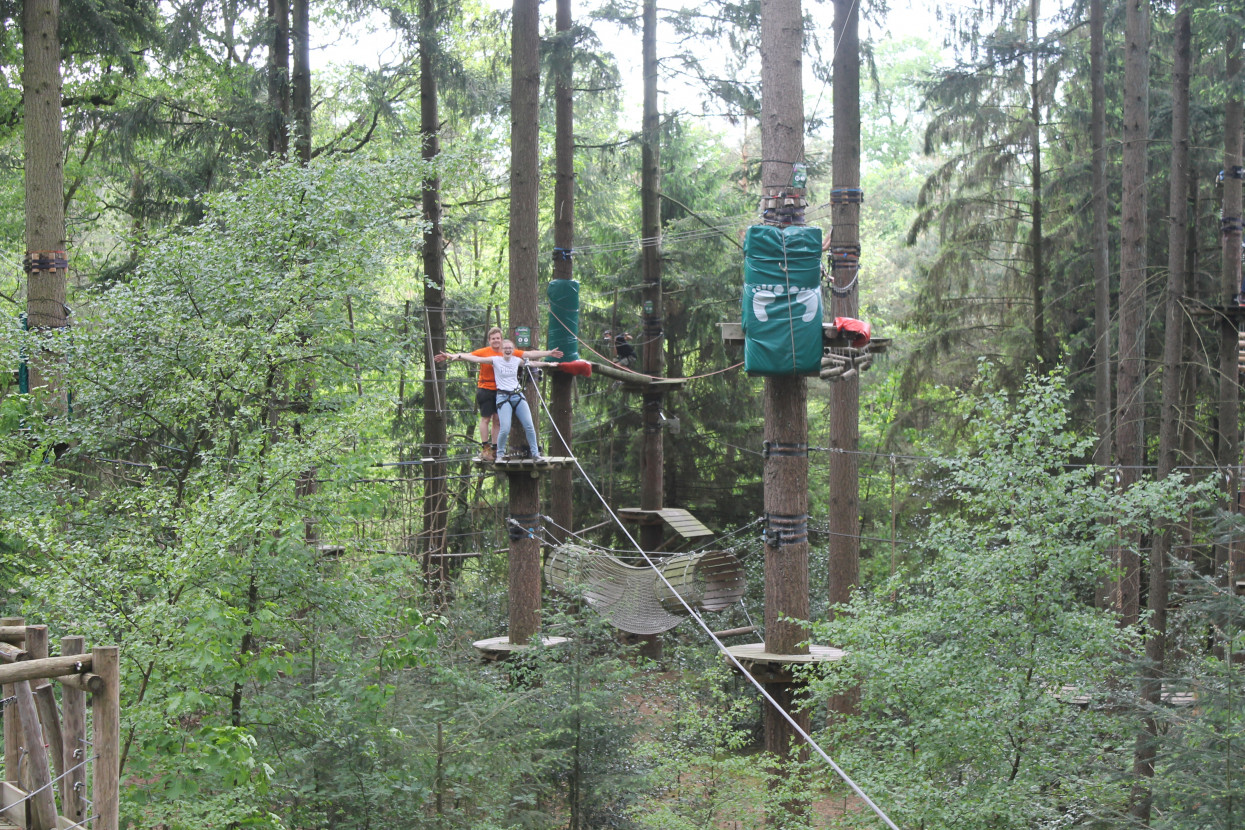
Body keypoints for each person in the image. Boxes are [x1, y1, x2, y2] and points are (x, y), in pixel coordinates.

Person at [435, 327, 561, 461]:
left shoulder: (514, 357)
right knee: (488, 420)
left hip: (512, 393)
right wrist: (451, 356)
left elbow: (530, 357)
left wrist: (549, 358)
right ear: (489, 340)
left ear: (503, 343)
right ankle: (487, 449)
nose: (496, 341)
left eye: (498, 338)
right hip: (488, 389)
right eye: (493, 338)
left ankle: (503, 451)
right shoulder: (491, 357)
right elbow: (471, 357)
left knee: (501, 422)